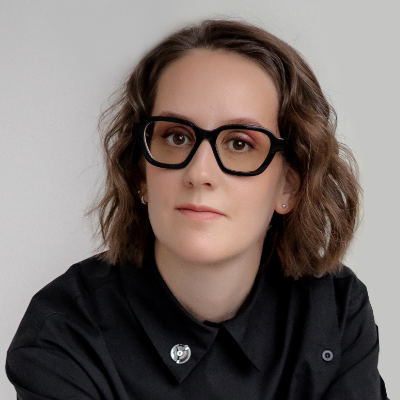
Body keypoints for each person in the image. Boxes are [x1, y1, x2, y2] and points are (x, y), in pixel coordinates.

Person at [6, 19, 389, 399]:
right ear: (141, 171)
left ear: (288, 185)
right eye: (176, 137)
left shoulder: (335, 310)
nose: (199, 173)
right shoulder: (65, 333)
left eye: (240, 143)